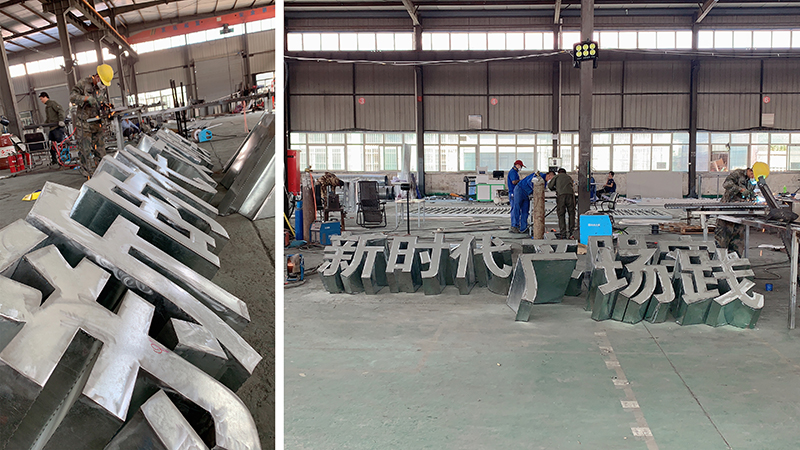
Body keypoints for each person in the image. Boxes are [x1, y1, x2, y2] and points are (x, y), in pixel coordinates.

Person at [70, 64, 114, 177]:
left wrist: (106, 108)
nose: (103, 86)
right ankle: (88, 173)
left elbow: (101, 102)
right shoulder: (83, 83)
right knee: (85, 150)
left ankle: (103, 172)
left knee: (100, 149)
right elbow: (72, 97)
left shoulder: (101, 89)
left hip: (96, 123)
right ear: (97, 77)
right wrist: (86, 98)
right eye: (102, 83)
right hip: (84, 123)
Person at [715, 167, 755, 256]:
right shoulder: (738, 173)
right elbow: (726, 184)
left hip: (741, 211)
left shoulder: (753, 180)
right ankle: (720, 259)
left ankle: (735, 259)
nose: (753, 177)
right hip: (727, 209)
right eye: (752, 174)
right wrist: (740, 189)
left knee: (738, 239)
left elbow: (751, 191)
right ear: (750, 170)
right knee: (723, 237)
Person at [548, 168, 576, 238]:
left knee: (561, 214)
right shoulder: (569, 177)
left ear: (558, 172)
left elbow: (550, 186)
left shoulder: (557, 176)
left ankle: (563, 233)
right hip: (570, 196)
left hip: (561, 196)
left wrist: (556, 188)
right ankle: (572, 231)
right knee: (571, 213)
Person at [39, 92, 66, 164]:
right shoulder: (47, 107)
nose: (41, 101)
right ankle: (54, 160)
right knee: (51, 145)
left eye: (41, 99)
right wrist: (43, 125)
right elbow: (49, 118)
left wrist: (61, 120)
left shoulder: (52, 104)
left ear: (45, 97)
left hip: (57, 128)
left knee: (59, 144)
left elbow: (60, 110)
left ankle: (62, 159)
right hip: (52, 128)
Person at [507, 160, 525, 233]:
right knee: (515, 209)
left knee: (516, 209)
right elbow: (514, 181)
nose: (521, 168)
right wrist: (521, 181)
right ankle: (514, 225)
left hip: (515, 192)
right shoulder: (513, 172)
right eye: (520, 166)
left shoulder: (515, 172)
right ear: (517, 165)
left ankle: (516, 224)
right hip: (513, 193)